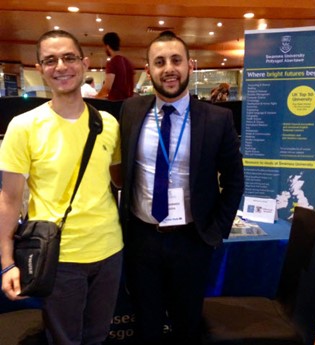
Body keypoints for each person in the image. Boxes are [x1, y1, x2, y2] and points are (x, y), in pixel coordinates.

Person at [118, 30, 244, 345]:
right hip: (142, 240)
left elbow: (234, 181)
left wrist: (214, 233)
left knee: (187, 326)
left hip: (192, 241)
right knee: (146, 326)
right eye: (159, 62)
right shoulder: (131, 111)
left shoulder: (217, 120)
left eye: (176, 60)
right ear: (148, 71)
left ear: (191, 65)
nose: (168, 68)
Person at [0, 30, 123, 345]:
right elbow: (9, 199)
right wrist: (7, 263)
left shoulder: (108, 124)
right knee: (63, 340)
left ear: (84, 64)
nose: (61, 66)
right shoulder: (23, 126)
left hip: (110, 251)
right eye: (50, 60)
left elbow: (119, 181)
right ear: (40, 68)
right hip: (59, 256)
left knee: (98, 336)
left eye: (69, 57)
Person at [96, 32, 135, 100]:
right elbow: (133, 84)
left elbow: (107, 88)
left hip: (116, 104)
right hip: (128, 103)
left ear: (107, 46)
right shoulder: (129, 63)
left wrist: (95, 98)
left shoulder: (112, 62)